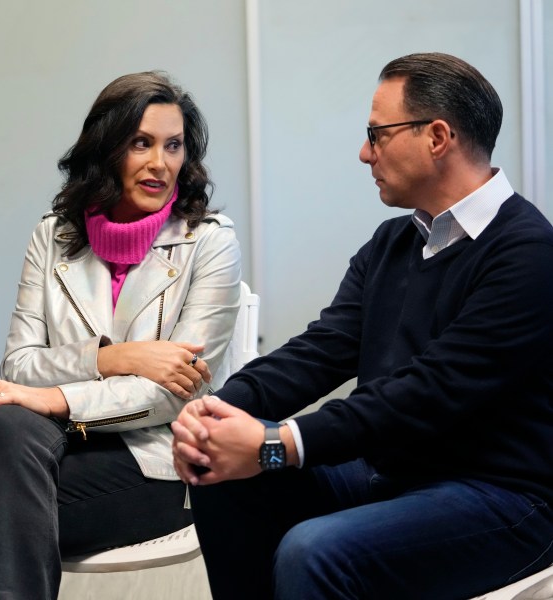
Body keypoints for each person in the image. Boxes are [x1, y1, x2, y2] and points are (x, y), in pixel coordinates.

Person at [172, 52, 553, 599]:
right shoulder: (392, 244)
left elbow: (427, 393)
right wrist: (220, 412)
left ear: (437, 136)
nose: (363, 152)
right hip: (394, 474)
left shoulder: (528, 254)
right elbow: (319, 351)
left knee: (315, 550)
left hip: (503, 496)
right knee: (222, 479)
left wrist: (275, 443)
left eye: (377, 134)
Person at [0, 71, 241, 598]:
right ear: (106, 150)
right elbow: (18, 365)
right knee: (8, 428)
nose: (161, 163)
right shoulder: (53, 235)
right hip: (54, 449)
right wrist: (115, 358)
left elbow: (174, 391)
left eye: (173, 146)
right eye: (141, 143)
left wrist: (55, 395)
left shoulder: (211, 243)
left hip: (162, 460)